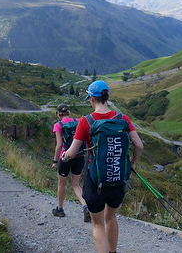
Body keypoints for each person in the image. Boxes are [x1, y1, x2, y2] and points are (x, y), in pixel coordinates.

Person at [62, 80, 144, 253]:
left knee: (98, 224)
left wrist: (64, 156)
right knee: (111, 217)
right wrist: (132, 163)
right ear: (107, 97)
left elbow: (72, 152)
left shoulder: (86, 121)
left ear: (92, 98)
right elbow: (139, 146)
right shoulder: (122, 118)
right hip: (118, 178)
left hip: (95, 179)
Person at [51, 104, 91, 222]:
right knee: (75, 184)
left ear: (59, 114)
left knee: (62, 184)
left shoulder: (58, 125)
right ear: (69, 112)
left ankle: (60, 209)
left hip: (65, 158)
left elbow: (59, 145)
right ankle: (86, 207)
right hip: (79, 156)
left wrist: (55, 161)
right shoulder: (79, 121)